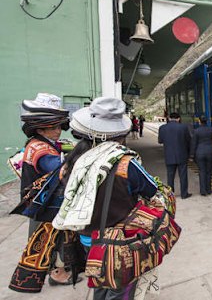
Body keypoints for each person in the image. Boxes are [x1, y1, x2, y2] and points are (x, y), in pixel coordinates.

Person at [52, 97, 159, 300]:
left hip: (86, 239)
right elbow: (152, 191)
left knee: (100, 282)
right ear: (120, 134)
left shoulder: (71, 162)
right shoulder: (126, 164)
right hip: (118, 241)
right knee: (120, 288)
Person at [19, 93, 75, 286]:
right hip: (44, 205)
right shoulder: (40, 150)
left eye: (59, 126)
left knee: (52, 238)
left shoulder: (40, 144)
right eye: (53, 127)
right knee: (47, 240)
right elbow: (59, 169)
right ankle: (54, 274)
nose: (58, 131)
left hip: (42, 203)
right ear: (40, 127)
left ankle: (56, 272)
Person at [158, 112, 192, 199]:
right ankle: (184, 194)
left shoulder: (162, 128)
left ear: (169, 118)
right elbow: (188, 140)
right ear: (179, 118)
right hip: (182, 155)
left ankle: (171, 195)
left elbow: (160, 141)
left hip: (169, 155)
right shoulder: (184, 127)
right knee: (183, 175)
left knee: (170, 176)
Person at [191, 115, 212, 196]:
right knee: (209, 172)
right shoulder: (211, 130)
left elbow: (194, 144)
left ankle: (203, 191)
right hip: (210, 152)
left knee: (202, 171)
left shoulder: (196, 131)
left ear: (199, 121)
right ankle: (209, 190)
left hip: (200, 153)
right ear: (207, 121)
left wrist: (192, 154)